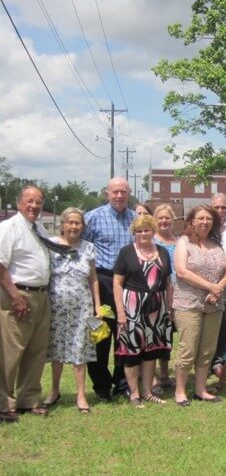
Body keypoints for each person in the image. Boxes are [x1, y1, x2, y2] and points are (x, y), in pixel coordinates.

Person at [43, 208, 102, 414]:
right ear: (63, 224)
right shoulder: (51, 246)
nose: (74, 226)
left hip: (82, 308)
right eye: (70, 222)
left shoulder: (88, 248)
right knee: (57, 349)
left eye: (78, 223)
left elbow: (93, 278)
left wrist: (98, 306)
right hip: (56, 306)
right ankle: (54, 390)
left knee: (79, 351)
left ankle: (81, 395)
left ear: (83, 226)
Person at [0, 185, 51, 422]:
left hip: (41, 296)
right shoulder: (9, 228)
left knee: (36, 351)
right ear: (19, 203)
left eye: (38, 202)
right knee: (11, 352)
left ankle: (28, 399)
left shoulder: (38, 228)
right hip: (18, 295)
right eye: (30, 201)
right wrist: (15, 296)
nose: (34, 206)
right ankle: (4, 403)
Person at [82, 177, 135, 402]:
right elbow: (82, 250)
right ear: (107, 193)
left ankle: (122, 383)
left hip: (128, 285)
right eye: (115, 192)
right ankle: (102, 387)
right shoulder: (93, 218)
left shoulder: (136, 218)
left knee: (125, 335)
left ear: (129, 193)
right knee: (101, 336)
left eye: (123, 191)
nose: (120, 196)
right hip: (102, 282)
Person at [173, 205, 226, 406]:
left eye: (209, 219)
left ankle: (200, 390)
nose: (205, 222)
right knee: (188, 348)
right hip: (188, 303)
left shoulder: (216, 244)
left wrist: (218, 289)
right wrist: (211, 287)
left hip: (214, 305)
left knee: (207, 349)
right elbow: (182, 272)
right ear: (192, 221)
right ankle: (180, 391)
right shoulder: (184, 242)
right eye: (201, 218)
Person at [113, 214, 174, 408]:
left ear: (153, 231)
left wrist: (170, 308)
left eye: (147, 230)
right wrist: (121, 312)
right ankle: (134, 394)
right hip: (132, 307)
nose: (143, 234)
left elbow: (168, 282)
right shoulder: (126, 253)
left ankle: (147, 392)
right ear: (134, 233)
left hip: (157, 308)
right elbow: (117, 283)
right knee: (131, 352)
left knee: (151, 352)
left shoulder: (163, 252)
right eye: (139, 231)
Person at [152, 203, 178, 392]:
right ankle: (151, 377)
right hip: (156, 294)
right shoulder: (150, 241)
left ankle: (165, 375)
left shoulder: (179, 241)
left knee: (166, 337)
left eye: (167, 217)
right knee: (154, 335)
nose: (164, 221)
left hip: (178, 294)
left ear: (173, 220)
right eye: (160, 217)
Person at [209, 193, 226, 378]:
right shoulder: (204, 224)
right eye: (216, 207)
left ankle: (219, 358)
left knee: (224, 320)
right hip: (206, 278)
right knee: (206, 320)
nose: (220, 211)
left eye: (223, 207)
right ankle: (205, 359)